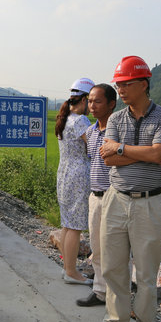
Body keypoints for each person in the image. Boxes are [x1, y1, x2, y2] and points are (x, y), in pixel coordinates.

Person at [93, 55, 161, 322]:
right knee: (113, 266)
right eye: (119, 84)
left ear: (143, 84)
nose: (121, 89)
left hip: (149, 202)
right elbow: (108, 158)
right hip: (116, 199)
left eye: (126, 83)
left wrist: (122, 149)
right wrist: (145, 152)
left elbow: (159, 154)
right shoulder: (116, 118)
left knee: (146, 271)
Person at [77, 83, 117, 307]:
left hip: (115, 197)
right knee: (98, 248)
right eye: (90, 101)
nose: (92, 106)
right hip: (95, 197)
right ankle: (100, 292)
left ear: (111, 104)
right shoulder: (91, 132)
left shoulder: (118, 131)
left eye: (97, 101)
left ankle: (118, 297)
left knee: (117, 250)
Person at [55, 77, 95, 285]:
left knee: (67, 224)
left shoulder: (66, 118)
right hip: (78, 176)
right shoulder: (81, 121)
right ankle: (71, 272)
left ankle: (67, 269)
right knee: (75, 226)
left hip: (64, 173)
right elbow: (94, 146)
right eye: (92, 101)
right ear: (85, 99)